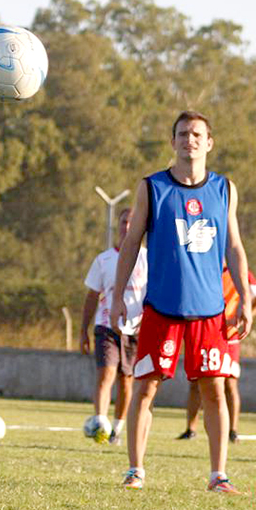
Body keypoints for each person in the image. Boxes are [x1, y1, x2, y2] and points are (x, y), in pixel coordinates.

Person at [110, 111, 252, 493]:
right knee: (146, 388)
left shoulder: (225, 189)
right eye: (182, 134)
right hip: (162, 307)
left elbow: (234, 247)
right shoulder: (152, 187)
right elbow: (129, 246)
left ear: (209, 143)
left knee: (214, 391)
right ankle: (135, 470)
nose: (189, 139)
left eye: (196, 134)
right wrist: (119, 295)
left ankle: (218, 475)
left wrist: (246, 299)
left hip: (210, 311)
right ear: (172, 142)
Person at [80, 208, 147, 445]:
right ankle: (100, 423)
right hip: (106, 325)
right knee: (106, 373)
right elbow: (91, 297)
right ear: (118, 226)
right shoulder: (104, 259)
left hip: (136, 329)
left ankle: (116, 431)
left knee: (127, 380)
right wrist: (83, 331)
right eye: (123, 222)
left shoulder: (147, 258)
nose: (127, 226)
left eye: (132, 222)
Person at [177, 267, 256, 443]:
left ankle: (233, 430)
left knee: (230, 384)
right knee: (196, 382)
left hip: (230, 336)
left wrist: (245, 315)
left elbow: (254, 295)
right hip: (205, 332)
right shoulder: (204, 268)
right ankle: (190, 429)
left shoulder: (240, 271)